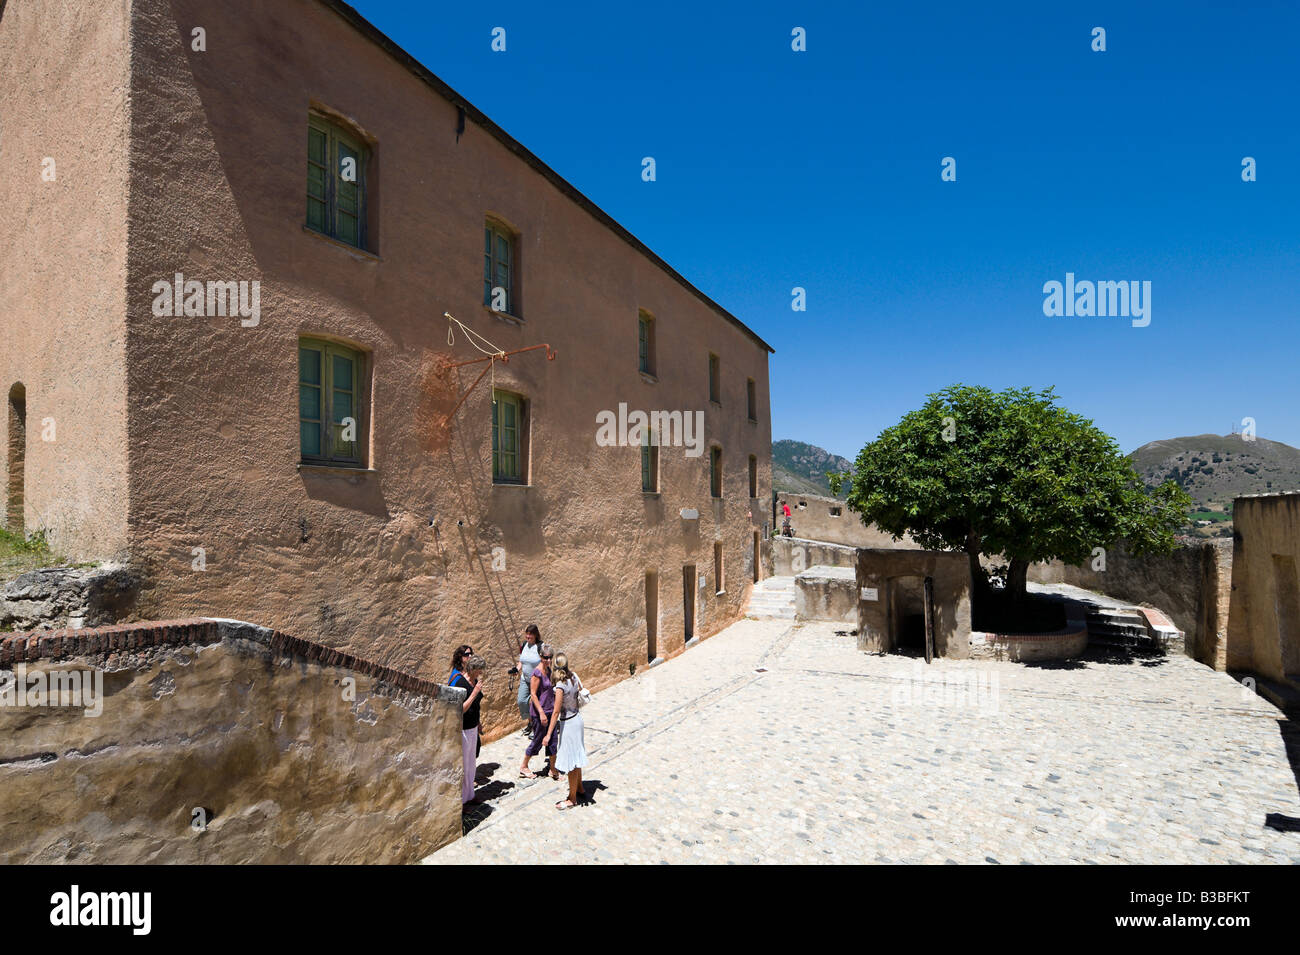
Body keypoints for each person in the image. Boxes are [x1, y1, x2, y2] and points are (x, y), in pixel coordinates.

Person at [544, 652, 588, 810]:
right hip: (578, 720)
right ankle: (580, 787)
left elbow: (556, 712)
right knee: (576, 755)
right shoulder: (574, 676)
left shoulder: (560, 686)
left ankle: (572, 798)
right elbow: (581, 690)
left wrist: (548, 734)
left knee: (571, 760)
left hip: (568, 724)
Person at [451, 654, 486, 805]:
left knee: (471, 765)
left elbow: (476, 706)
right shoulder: (460, 683)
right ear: (472, 669)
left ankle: (470, 795)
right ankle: (462, 801)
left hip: (472, 729)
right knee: (464, 766)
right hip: (463, 731)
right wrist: (474, 693)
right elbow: (460, 709)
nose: (480, 673)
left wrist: (478, 723)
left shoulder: (475, 681)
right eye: (479, 670)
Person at [519, 643, 558, 779]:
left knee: (553, 740)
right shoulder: (537, 672)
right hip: (539, 713)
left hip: (550, 710)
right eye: (545, 657)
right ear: (540, 657)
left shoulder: (549, 670)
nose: (548, 660)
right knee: (538, 740)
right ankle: (524, 766)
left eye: (550, 657)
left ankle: (552, 769)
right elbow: (533, 694)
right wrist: (541, 713)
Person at [515, 625, 542, 725]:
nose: (527, 637)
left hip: (537, 680)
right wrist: (517, 669)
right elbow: (522, 661)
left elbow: (545, 663)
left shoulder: (540, 647)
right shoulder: (524, 645)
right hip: (525, 680)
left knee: (534, 703)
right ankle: (530, 722)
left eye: (530, 635)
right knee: (521, 701)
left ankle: (535, 725)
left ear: (535, 635)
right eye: (526, 635)